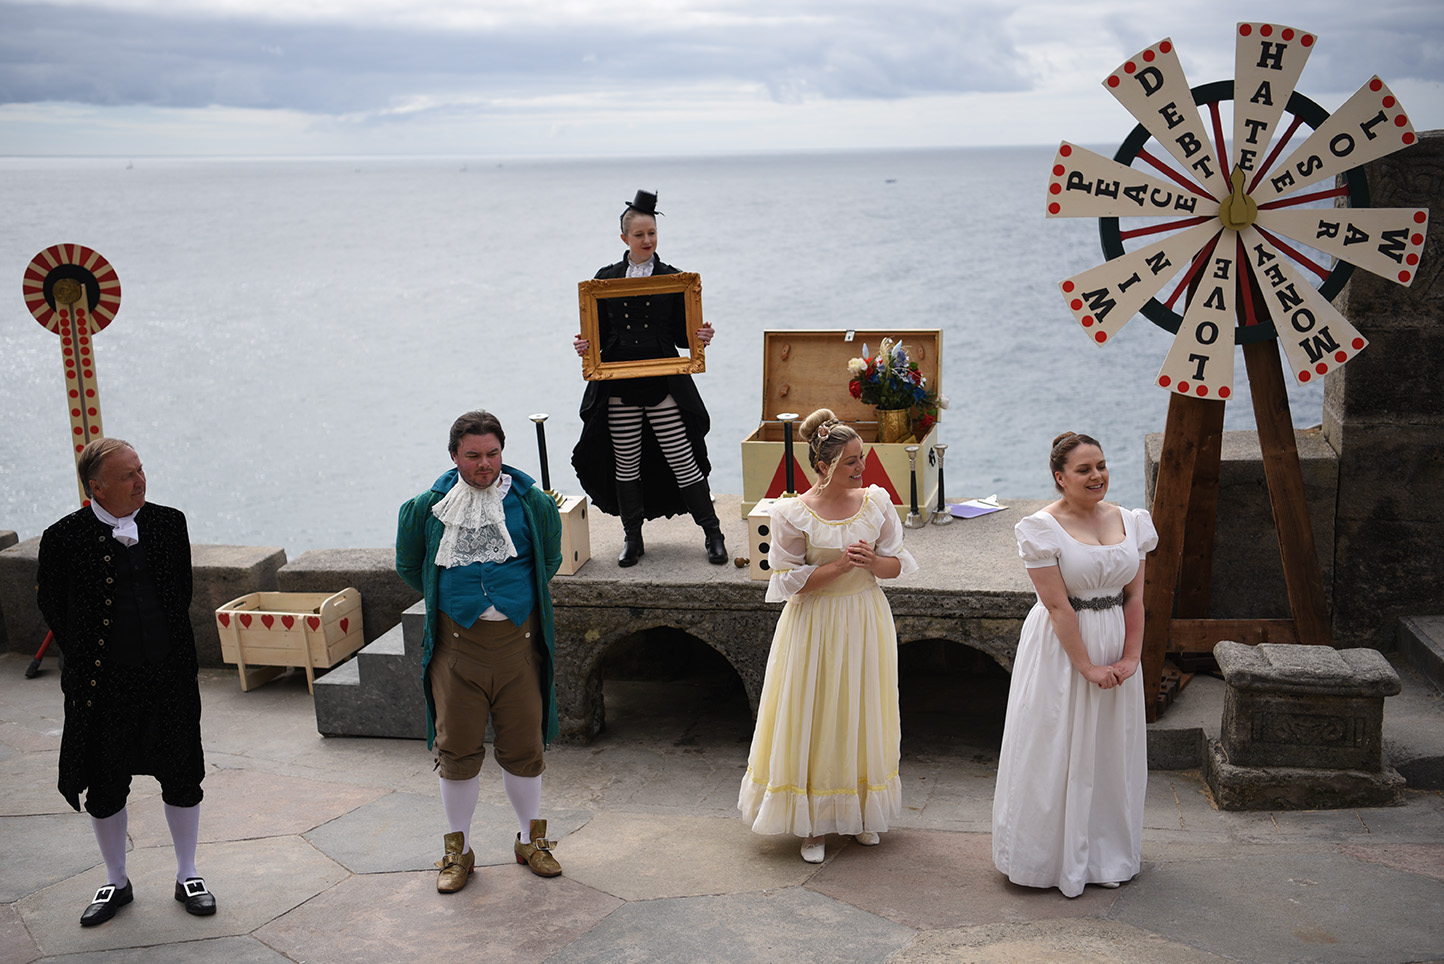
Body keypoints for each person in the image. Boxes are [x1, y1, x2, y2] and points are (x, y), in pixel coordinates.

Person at [36, 438, 216, 926]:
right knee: (105, 783)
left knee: (182, 776)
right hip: (103, 688)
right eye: (127, 475)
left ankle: (188, 873)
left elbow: (180, 594)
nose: (140, 480)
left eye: (141, 469)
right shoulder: (62, 538)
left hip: (167, 679)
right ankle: (116, 879)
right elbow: (53, 608)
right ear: (96, 487)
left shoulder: (168, 523)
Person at [395, 410, 565, 893]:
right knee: (457, 752)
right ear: (454, 456)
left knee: (525, 749)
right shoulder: (425, 508)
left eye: (492, 454)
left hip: (518, 647)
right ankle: (458, 851)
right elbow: (410, 566)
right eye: (473, 456)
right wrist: (459, 601)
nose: (484, 464)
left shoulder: (533, 503)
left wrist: (507, 600)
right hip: (456, 650)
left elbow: (547, 560)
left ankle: (530, 841)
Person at [738, 409, 917, 863]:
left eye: (861, 457)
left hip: (864, 616)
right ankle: (811, 823)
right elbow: (784, 582)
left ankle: (858, 814)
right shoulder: (791, 512)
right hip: (814, 622)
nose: (862, 467)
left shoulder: (876, 503)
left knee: (862, 709)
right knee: (813, 713)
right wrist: (838, 565)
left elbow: (895, 565)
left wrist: (872, 563)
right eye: (851, 461)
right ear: (823, 465)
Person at [991, 432, 1157, 897]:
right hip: (1064, 650)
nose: (1097, 476)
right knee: (1054, 746)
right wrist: (1086, 667)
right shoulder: (1040, 528)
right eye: (1084, 470)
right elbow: (1059, 607)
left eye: (1101, 465)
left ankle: (1106, 854)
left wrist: (1130, 658)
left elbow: (1136, 596)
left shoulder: (1132, 520)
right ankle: (1046, 858)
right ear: (1060, 477)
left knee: (1110, 748)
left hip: (1117, 643)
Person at [572, 189, 726, 568]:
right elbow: (600, 335)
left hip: (663, 383)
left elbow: (681, 335)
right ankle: (632, 538)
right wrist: (585, 346)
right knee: (626, 463)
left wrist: (700, 337)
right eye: (639, 235)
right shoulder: (604, 280)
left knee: (682, 459)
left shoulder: (675, 278)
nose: (647, 241)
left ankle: (713, 534)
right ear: (624, 238)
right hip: (618, 384)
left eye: (652, 233)